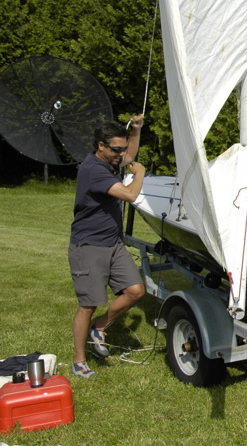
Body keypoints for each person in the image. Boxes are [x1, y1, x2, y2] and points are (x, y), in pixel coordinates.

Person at [68, 116, 147, 377]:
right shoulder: (94, 170)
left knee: (135, 291)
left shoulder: (110, 161)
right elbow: (130, 195)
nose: (122, 155)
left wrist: (135, 131)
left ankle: (99, 328)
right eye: (116, 150)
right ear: (100, 146)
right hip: (89, 245)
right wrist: (141, 173)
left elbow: (129, 153)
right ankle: (80, 361)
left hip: (113, 243)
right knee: (88, 304)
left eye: (122, 149)